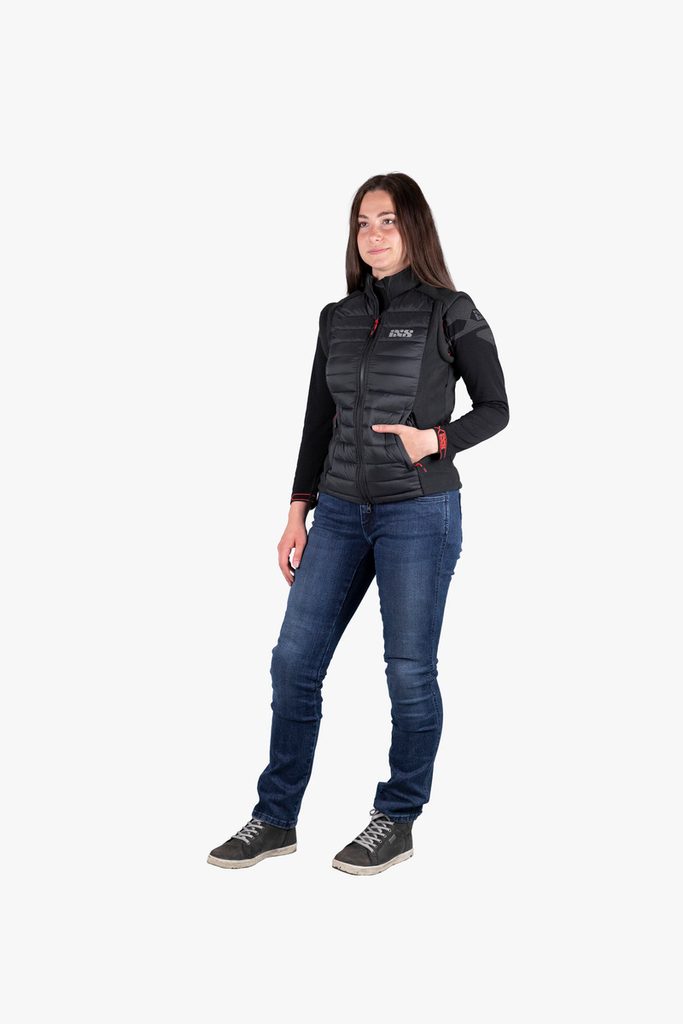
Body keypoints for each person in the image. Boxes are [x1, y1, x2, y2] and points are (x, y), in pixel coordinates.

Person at [208, 172, 510, 876]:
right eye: (362, 223)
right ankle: (275, 818)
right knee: (293, 662)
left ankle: (396, 817)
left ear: (414, 229)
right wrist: (297, 510)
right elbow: (319, 419)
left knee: (407, 670)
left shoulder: (450, 310)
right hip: (340, 511)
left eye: (388, 221)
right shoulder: (337, 317)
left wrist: (435, 440)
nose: (373, 234)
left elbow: (497, 407)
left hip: (419, 512)